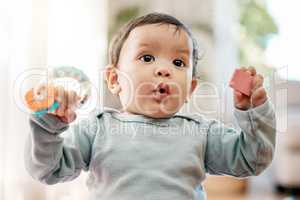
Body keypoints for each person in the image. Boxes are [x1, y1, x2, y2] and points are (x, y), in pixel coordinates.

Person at [25, 12, 276, 200]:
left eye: (179, 62)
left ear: (189, 89)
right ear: (114, 80)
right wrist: (48, 123)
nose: (164, 69)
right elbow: (48, 170)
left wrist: (253, 111)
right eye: (147, 57)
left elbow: (251, 159)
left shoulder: (202, 132)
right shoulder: (97, 129)